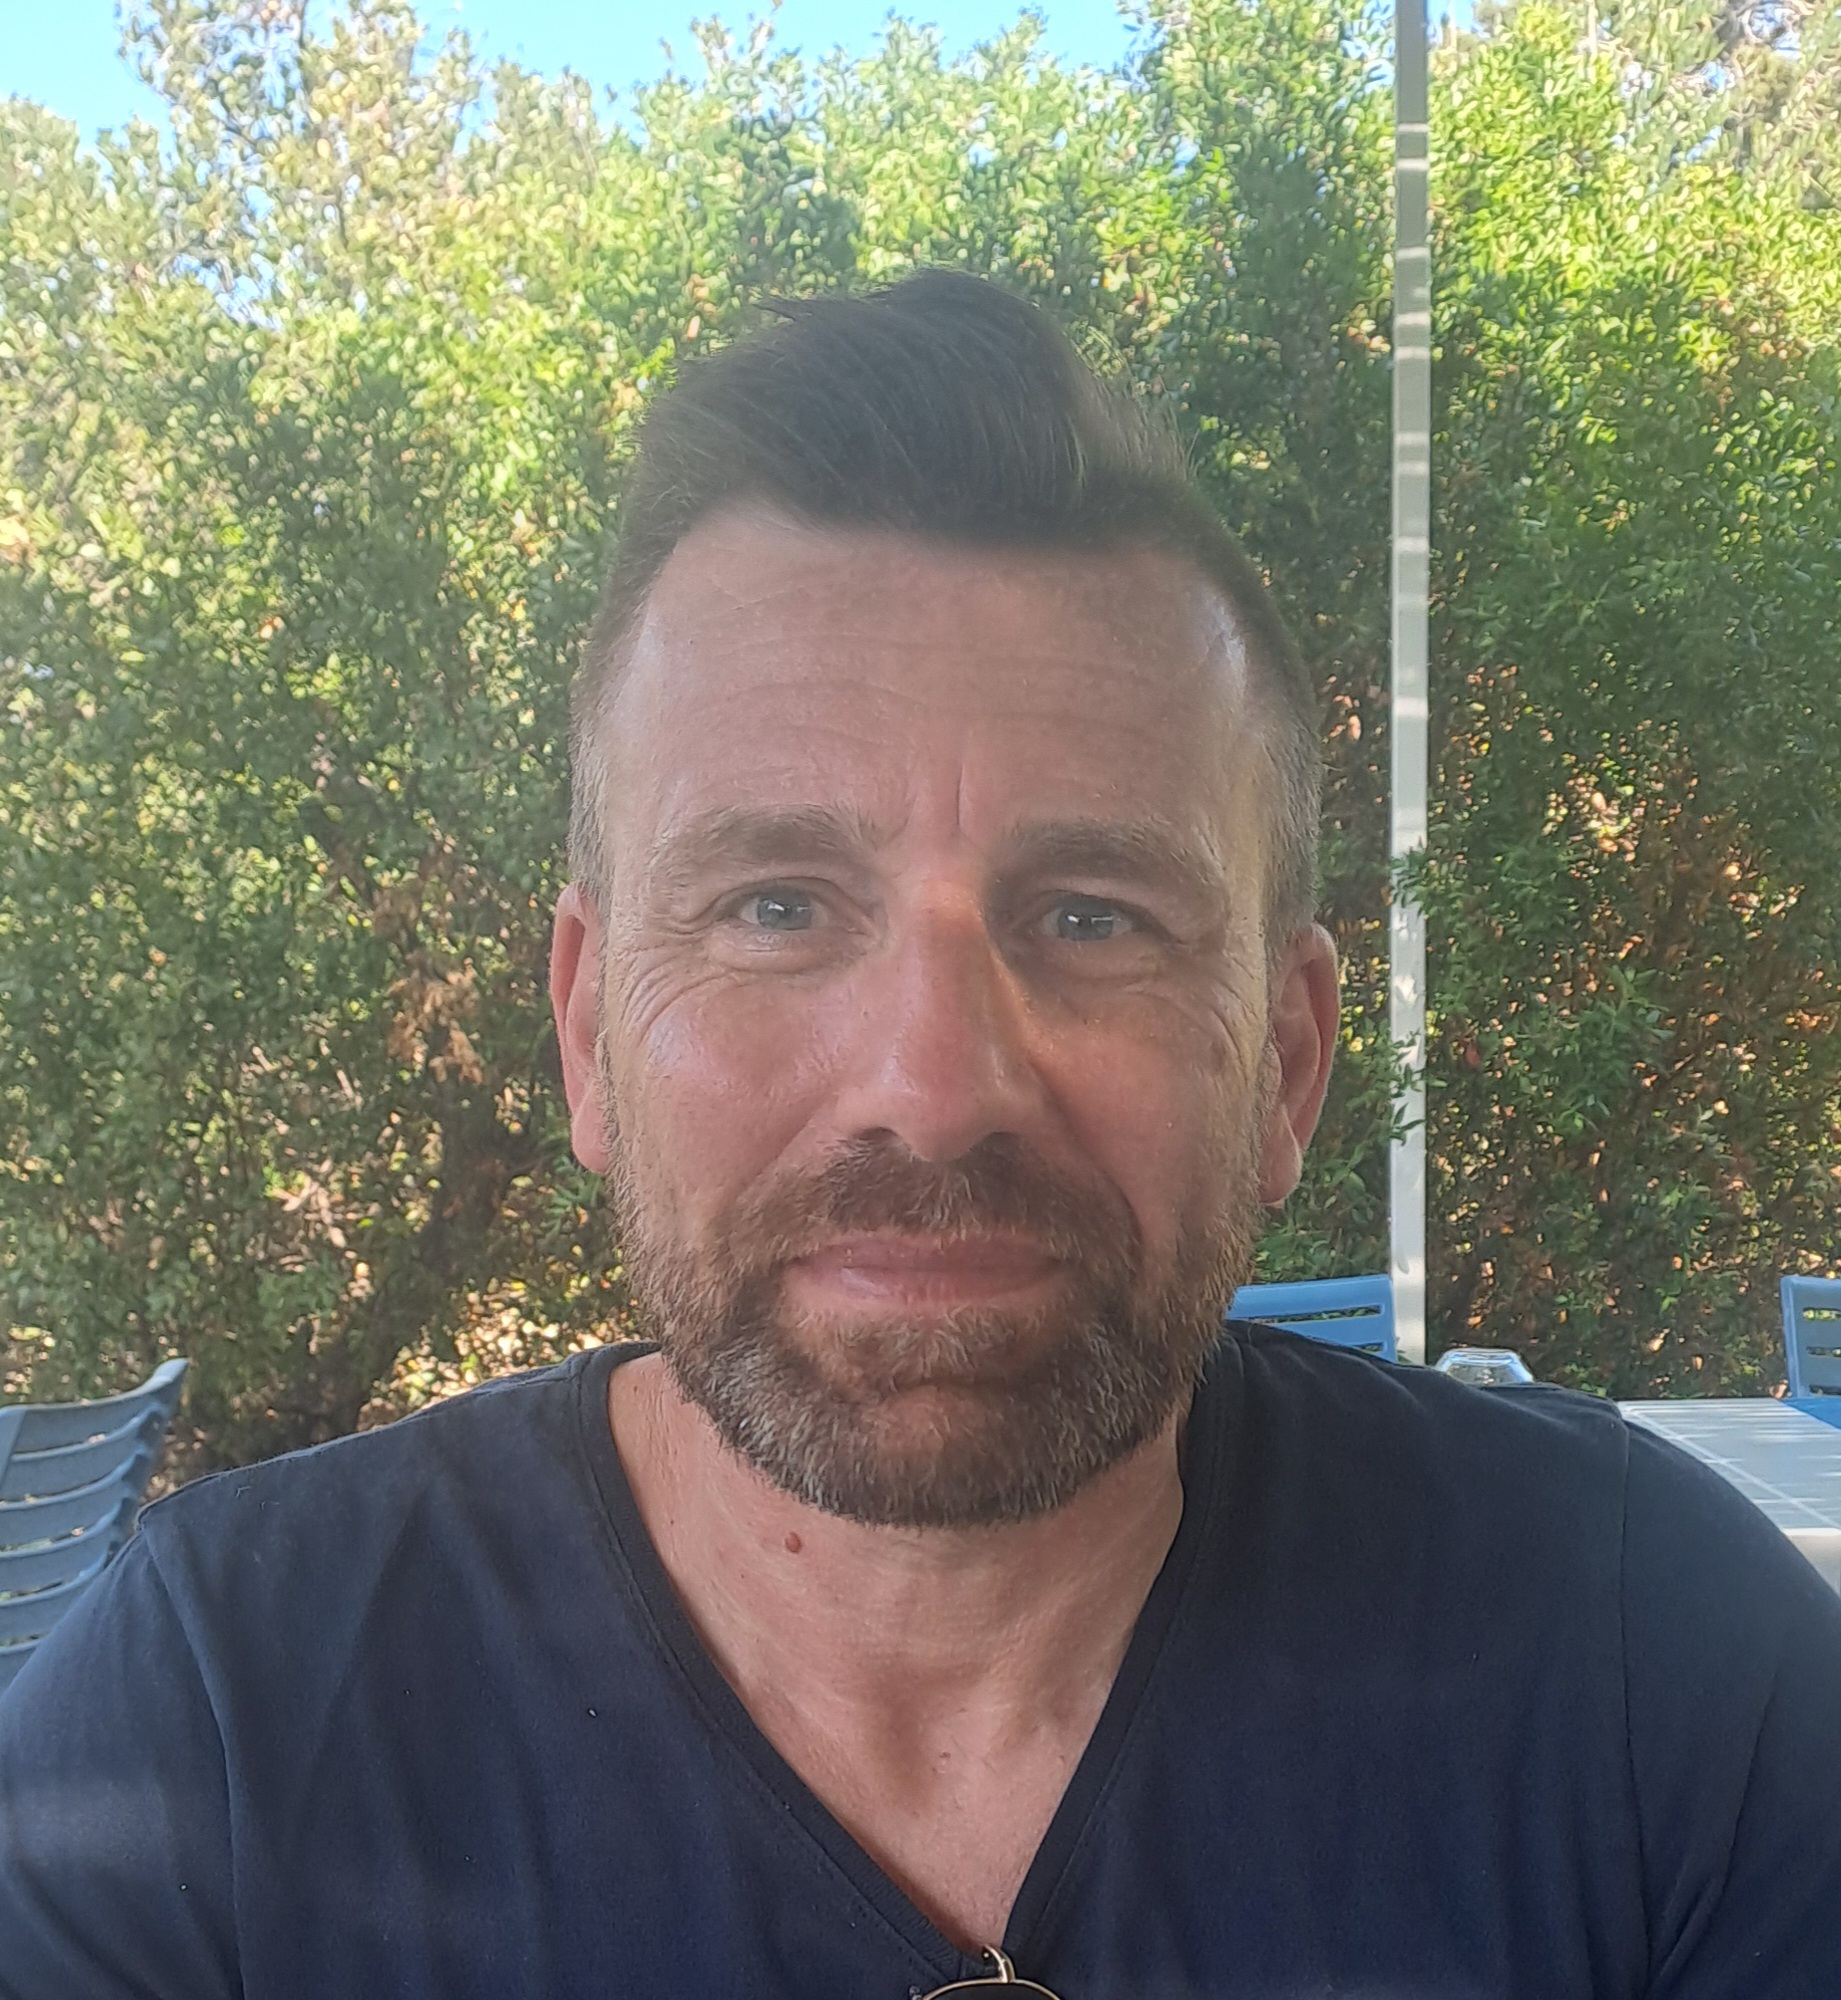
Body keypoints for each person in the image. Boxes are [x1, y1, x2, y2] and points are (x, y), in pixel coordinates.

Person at [2, 272, 1838, 2000]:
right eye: (776, 908)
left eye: (1093, 916)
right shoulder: (196, 1756)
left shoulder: (1670, 1683)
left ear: (1285, 1060)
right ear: (585, 1031)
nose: (936, 1086)